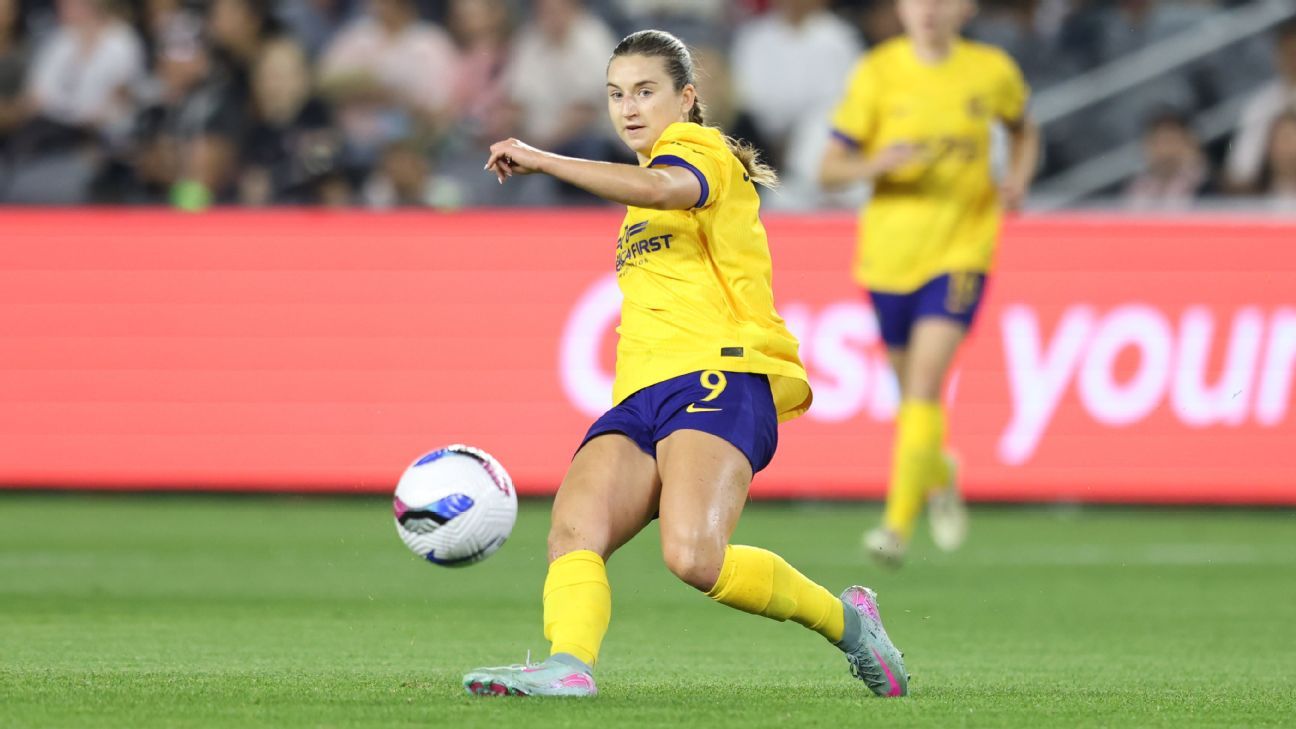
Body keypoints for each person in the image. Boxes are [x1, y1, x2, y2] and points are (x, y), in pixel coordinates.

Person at [462, 29, 908, 699]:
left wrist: (544, 159)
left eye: (646, 91)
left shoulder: (700, 150)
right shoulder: (638, 198)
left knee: (695, 557)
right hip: (640, 393)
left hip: (718, 375)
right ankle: (568, 666)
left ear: (686, 97)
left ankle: (849, 623)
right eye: (616, 94)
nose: (629, 108)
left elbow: (667, 187)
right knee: (574, 529)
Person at [818, 0, 1040, 567]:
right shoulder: (878, 71)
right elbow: (829, 169)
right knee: (911, 397)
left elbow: (1023, 130)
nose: (929, 10)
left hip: (962, 250)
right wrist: (877, 165)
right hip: (889, 256)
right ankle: (938, 471)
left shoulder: (991, 70)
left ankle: (895, 527)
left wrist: (1017, 180)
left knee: (923, 384)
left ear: (965, 8)